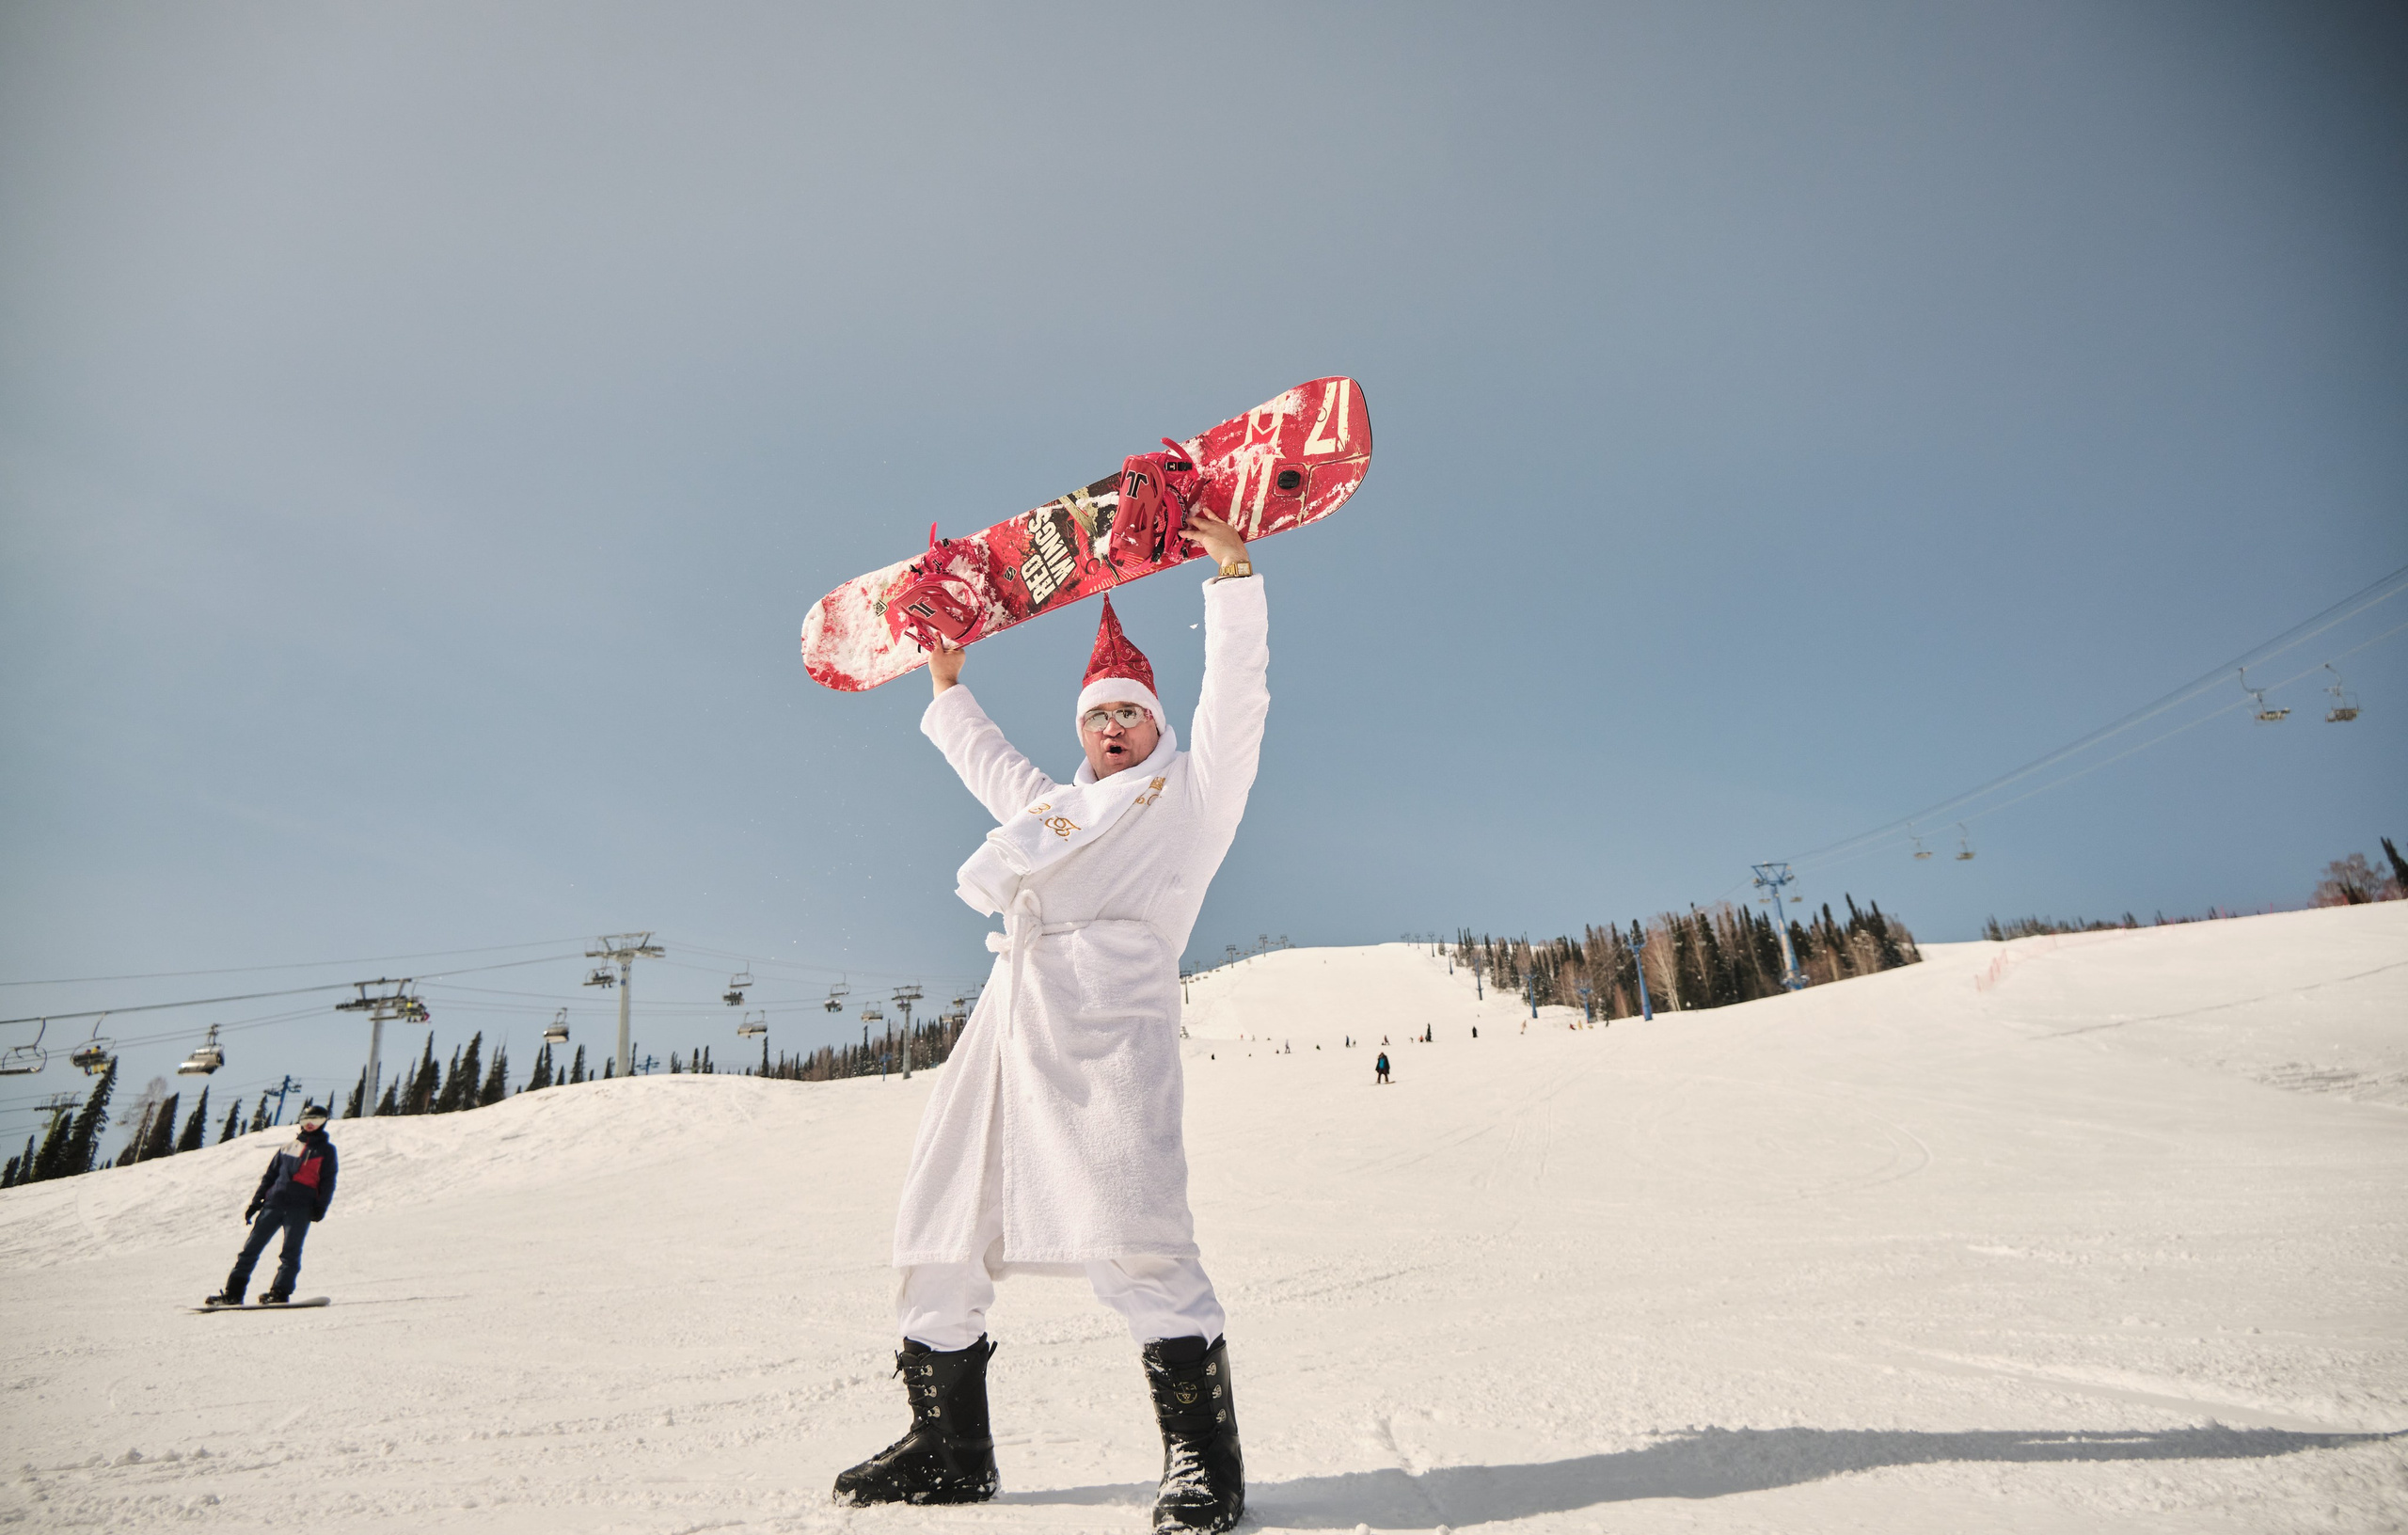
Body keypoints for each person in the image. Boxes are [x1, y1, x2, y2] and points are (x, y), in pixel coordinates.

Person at [835, 510, 1259, 1534]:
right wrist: (945, 682)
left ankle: (1205, 1465)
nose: (1110, 728)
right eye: (1094, 716)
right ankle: (951, 1448)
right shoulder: (1052, 815)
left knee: (1135, 1234)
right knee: (939, 1219)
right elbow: (987, 765)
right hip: (1011, 1018)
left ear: (1158, 724)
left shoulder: (1194, 800)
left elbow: (1237, 705)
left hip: (1110, 1027)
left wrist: (1231, 578)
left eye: (1128, 712)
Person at [205, 1101, 338, 1306]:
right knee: (250, 1250)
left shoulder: (326, 1151)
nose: (310, 1124)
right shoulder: (288, 1148)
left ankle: (279, 1292)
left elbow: (328, 1180)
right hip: (273, 1204)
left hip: (300, 1208)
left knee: (290, 1253)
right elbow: (270, 1176)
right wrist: (256, 1202)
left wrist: (321, 1206)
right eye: (306, 1120)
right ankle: (233, 1294)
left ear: (324, 1123)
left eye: (316, 1120)